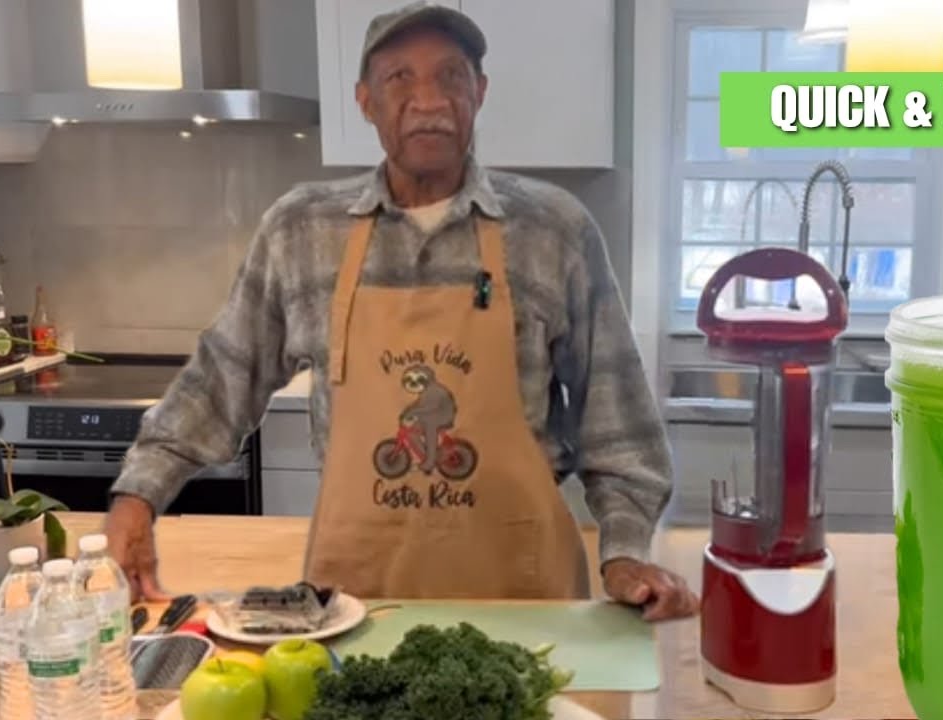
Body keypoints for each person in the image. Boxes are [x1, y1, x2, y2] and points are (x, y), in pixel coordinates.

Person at [103, 1, 698, 621]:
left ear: (479, 92)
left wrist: (625, 553)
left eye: (450, 76)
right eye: (399, 78)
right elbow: (220, 380)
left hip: (524, 598)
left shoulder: (554, 230)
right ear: (365, 101)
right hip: (356, 605)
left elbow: (618, 422)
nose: (429, 101)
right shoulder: (302, 231)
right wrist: (138, 496)